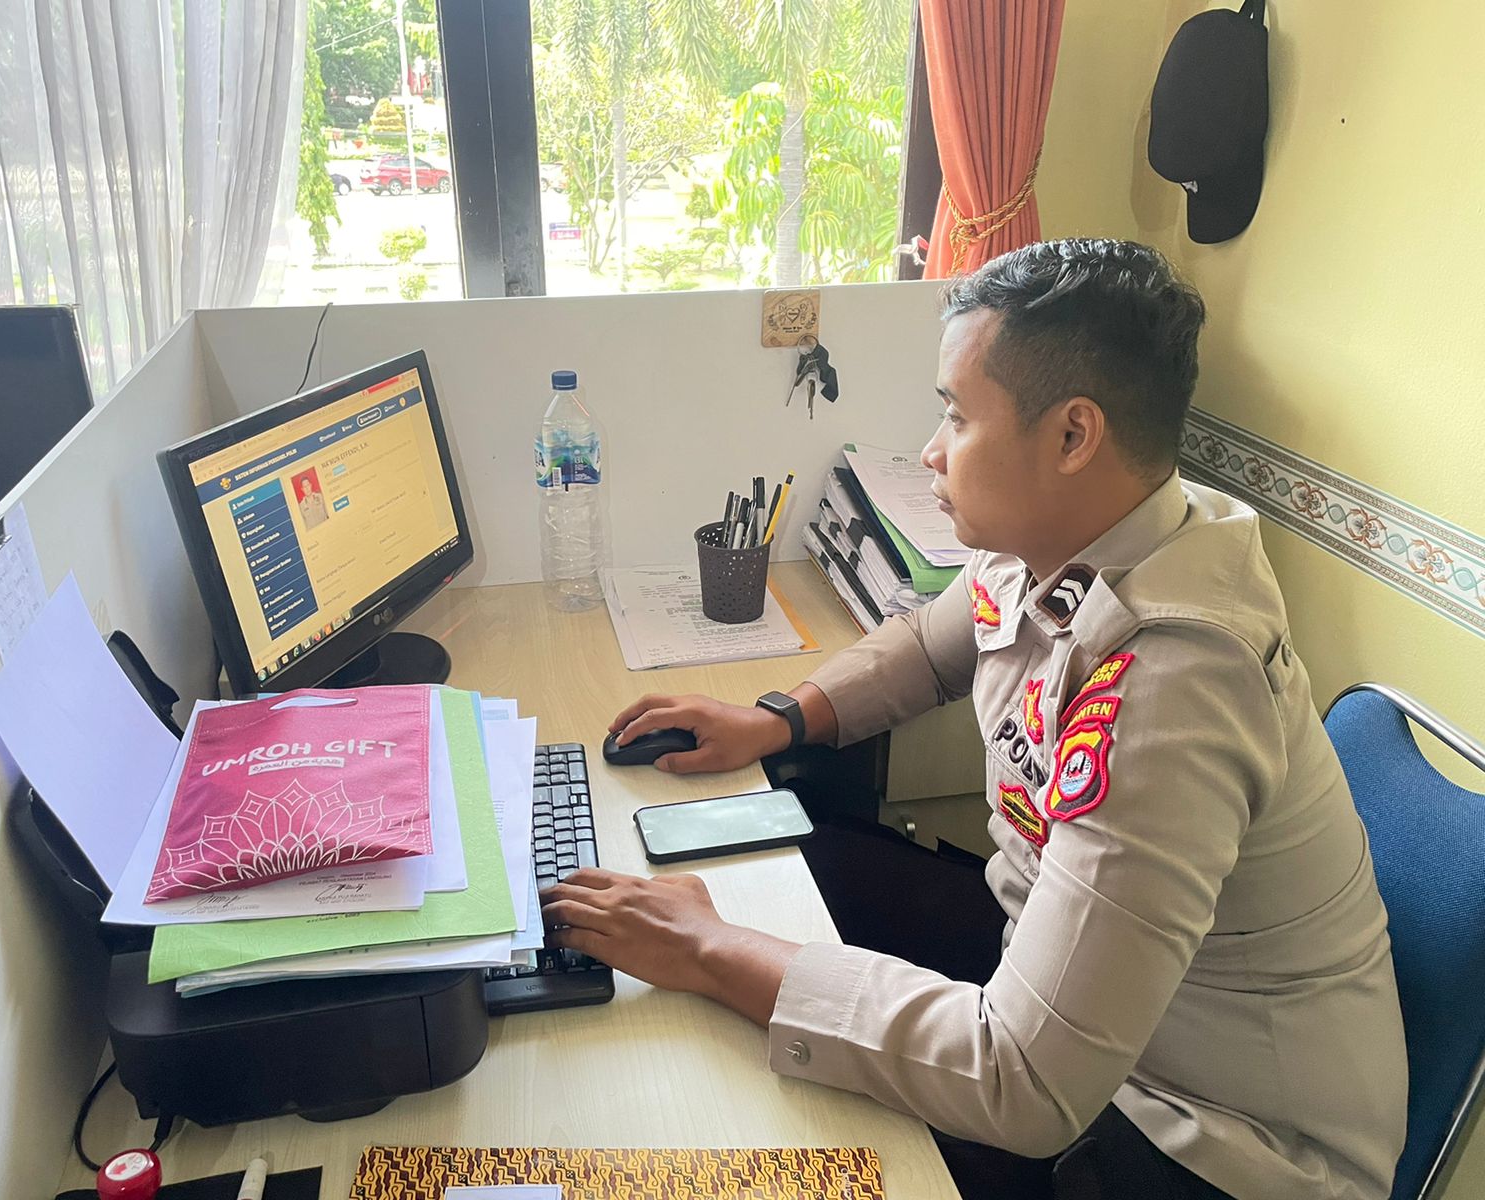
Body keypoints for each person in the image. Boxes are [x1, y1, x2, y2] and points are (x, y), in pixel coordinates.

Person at [541, 240, 1407, 1200]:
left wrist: (707, 951)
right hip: (1066, 982)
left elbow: (1024, 1084)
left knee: (777, 1151)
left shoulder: (1175, 688)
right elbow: (930, 645)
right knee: (806, 870)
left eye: (956, 414)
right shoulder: (1072, 532)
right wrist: (775, 720)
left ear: (1072, 436)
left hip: (1206, 1137)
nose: (932, 449)